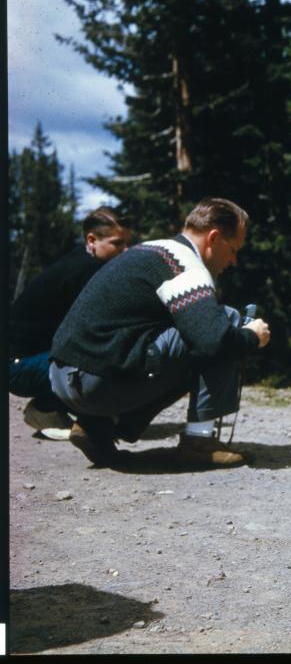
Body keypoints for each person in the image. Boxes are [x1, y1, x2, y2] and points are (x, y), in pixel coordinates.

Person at [49, 197, 270, 468]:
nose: (233, 261)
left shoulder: (150, 250)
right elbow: (214, 341)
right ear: (213, 238)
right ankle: (199, 442)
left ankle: (98, 427)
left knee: (190, 336)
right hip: (93, 381)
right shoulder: (186, 265)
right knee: (227, 320)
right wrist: (251, 336)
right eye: (234, 249)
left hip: (62, 377)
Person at [9, 207, 133, 440]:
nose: (126, 251)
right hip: (18, 366)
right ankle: (46, 409)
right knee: (102, 356)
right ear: (92, 240)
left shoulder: (84, 261)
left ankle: (54, 406)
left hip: (28, 359)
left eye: (129, 243)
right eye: (118, 243)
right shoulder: (86, 270)